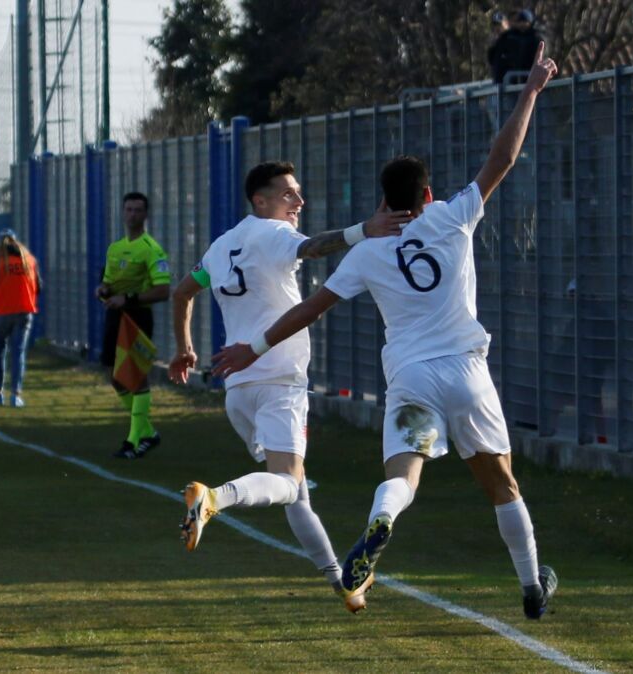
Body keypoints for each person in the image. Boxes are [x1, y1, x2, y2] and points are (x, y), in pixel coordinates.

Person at [212, 44, 560, 619]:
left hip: (411, 379)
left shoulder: (368, 253)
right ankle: (530, 586)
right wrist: (529, 92)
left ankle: (383, 520)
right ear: (426, 196)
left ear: (383, 200)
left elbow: (310, 309)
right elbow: (502, 158)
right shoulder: (451, 216)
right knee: (502, 484)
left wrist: (253, 347)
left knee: (403, 477)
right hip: (467, 373)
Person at [169, 161, 410, 607]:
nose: (298, 202)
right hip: (278, 380)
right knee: (285, 480)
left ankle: (343, 583)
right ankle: (213, 498)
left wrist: (184, 348)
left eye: (298, 193)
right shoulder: (273, 233)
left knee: (295, 492)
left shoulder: (221, 247)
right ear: (260, 202)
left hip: (238, 389)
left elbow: (183, 291)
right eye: (288, 195)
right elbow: (315, 248)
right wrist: (365, 229)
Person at [95, 192, 171, 459]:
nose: (133, 215)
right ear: (122, 212)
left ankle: (132, 440)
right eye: (128, 209)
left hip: (137, 317)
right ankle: (148, 431)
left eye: (138, 210)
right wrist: (103, 289)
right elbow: (109, 281)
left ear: (146, 215)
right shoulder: (115, 248)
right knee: (114, 375)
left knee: (136, 376)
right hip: (115, 316)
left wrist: (128, 298)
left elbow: (163, 290)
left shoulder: (151, 249)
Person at [0, 228, 42, 408]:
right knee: (18, 352)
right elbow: (38, 286)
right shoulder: (28, 260)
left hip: (1, 312)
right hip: (24, 311)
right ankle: (16, 395)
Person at [487, 9, 543, 84]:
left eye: (525, 22)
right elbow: (493, 60)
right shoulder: (504, 39)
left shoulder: (534, 38)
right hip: (503, 81)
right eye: (520, 22)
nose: (522, 24)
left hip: (525, 80)